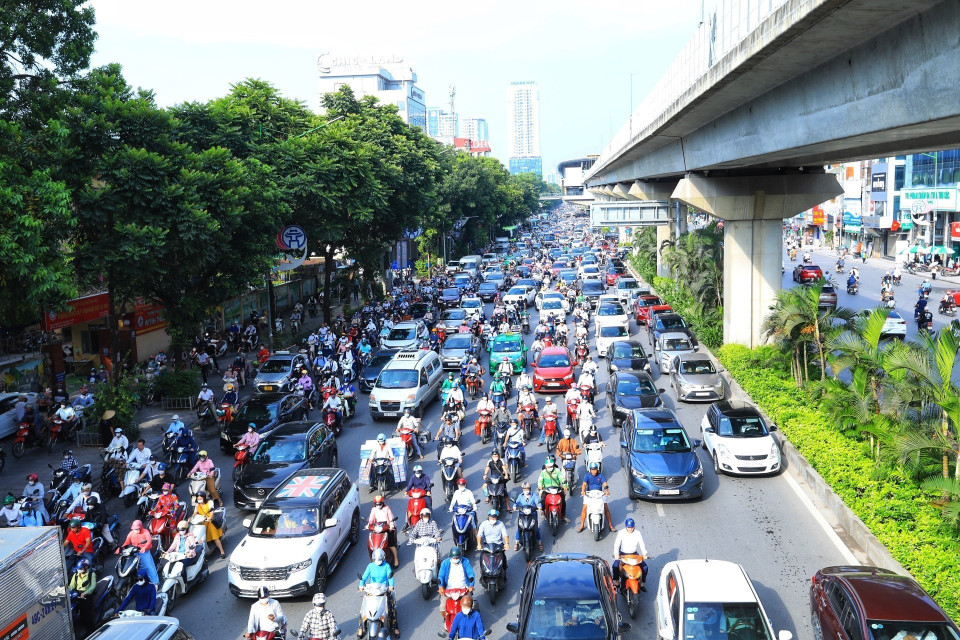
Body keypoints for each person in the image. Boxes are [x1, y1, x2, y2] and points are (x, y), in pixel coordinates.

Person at [358, 548, 399, 638]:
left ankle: (395, 627)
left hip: (383, 590)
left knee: (391, 608)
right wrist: (361, 585)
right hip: (372, 590)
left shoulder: (386, 566)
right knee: (363, 608)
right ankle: (360, 627)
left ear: (383, 558)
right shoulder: (370, 566)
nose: (378, 562)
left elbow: (390, 577)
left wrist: (391, 586)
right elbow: (364, 577)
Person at [116, 520, 160, 584]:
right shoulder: (131, 533)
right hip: (134, 551)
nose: (136, 530)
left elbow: (149, 541)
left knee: (149, 566)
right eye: (134, 529)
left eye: (137, 529)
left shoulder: (145, 532)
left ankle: (155, 582)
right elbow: (127, 542)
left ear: (141, 527)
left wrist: (144, 548)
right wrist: (120, 548)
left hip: (144, 551)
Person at [612, 518, 650, 591]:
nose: (630, 529)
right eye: (629, 527)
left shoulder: (637, 533)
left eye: (632, 527)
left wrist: (645, 553)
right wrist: (616, 554)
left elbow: (642, 544)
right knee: (615, 566)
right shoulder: (621, 532)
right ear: (626, 527)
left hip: (634, 554)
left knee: (645, 567)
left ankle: (642, 582)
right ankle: (616, 581)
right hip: (623, 554)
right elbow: (616, 544)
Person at [438, 547, 475, 620]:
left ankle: (471, 621)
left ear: (460, 557)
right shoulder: (445, 563)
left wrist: (471, 585)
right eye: (454, 558)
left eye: (457, 558)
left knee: (471, 606)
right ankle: (446, 620)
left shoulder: (465, 561)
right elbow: (441, 576)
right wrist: (440, 586)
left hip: (463, 589)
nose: (455, 560)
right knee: (442, 607)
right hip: (449, 590)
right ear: (450, 557)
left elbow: (471, 574)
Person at [577, 463, 615, 533]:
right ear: (590, 470)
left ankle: (610, 524)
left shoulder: (601, 476)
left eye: (595, 470)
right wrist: (583, 491)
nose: (594, 471)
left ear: (597, 470)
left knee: (606, 508)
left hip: (599, 494)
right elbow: (584, 484)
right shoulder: (587, 475)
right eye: (592, 470)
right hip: (589, 494)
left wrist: (607, 491)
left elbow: (605, 484)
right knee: (584, 508)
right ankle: (582, 524)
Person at [193, 490, 226, 558]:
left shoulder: (209, 502)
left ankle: (222, 551)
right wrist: (191, 517)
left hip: (210, 522)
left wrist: (210, 518)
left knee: (215, 538)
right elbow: (195, 512)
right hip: (202, 522)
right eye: (198, 499)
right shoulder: (197, 505)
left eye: (200, 499)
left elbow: (211, 512)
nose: (199, 500)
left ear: (204, 498)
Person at [368, 494, 399, 567]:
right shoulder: (374, 509)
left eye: (380, 504)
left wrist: (391, 525)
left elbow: (390, 517)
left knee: (391, 545)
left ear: (382, 503)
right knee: (371, 543)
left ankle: (395, 559)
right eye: (376, 504)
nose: (378, 505)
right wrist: (368, 525)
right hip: (377, 527)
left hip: (386, 526)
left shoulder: (386, 508)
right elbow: (371, 519)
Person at [513, 483, 544, 552]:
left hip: (532, 514)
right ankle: (516, 542)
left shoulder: (533, 496)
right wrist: (514, 507)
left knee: (536, 528)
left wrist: (539, 507)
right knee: (519, 528)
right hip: (522, 514)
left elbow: (538, 502)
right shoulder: (520, 496)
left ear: (529, 489)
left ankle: (539, 543)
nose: (525, 491)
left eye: (527, 489)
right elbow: (516, 503)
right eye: (524, 490)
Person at [537, 456, 569, 521]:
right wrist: (540, 486)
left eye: (551, 466)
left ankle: (563, 515)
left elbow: (561, 478)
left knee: (562, 500)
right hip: (547, 489)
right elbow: (540, 481)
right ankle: (543, 512)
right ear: (546, 466)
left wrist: (565, 485)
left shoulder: (557, 471)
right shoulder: (543, 472)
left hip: (557, 489)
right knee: (543, 499)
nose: (550, 468)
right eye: (548, 467)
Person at [69, 559, 98, 632]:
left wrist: (85, 593)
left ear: (86, 567)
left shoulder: (91, 574)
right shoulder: (76, 575)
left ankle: (91, 631)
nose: (79, 570)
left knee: (87, 615)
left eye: (80, 569)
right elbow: (71, 586)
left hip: (86, 596)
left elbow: (93, 586)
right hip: (77, 595)